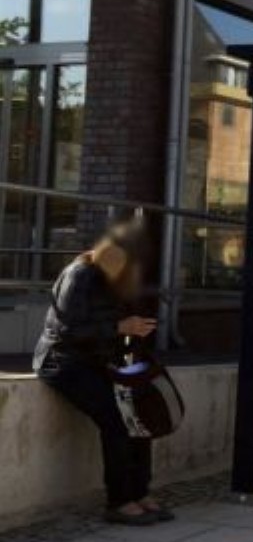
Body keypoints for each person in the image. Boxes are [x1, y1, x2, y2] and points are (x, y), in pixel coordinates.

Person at [33, 218, 172, 525]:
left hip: (97, 361)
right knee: (117, 419)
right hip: (61, 361)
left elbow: (111, 329)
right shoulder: (79, 275)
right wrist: (120, 327)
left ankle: (139, 491)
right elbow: (68, 330)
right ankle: (119, 501)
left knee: (139, 414)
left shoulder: (114, 281)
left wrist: (133, 331)